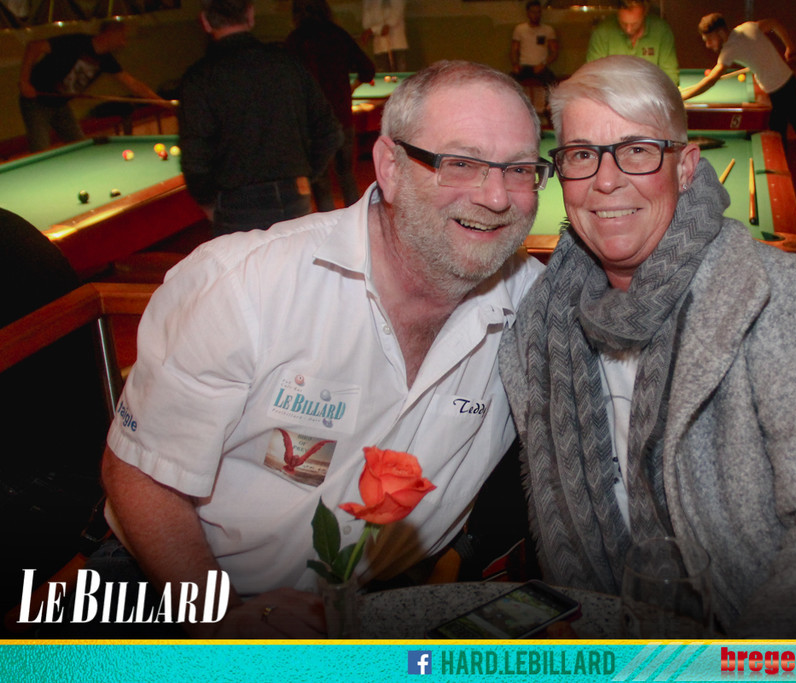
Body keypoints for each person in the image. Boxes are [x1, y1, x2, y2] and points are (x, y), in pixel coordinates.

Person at [498, 55, 796, 639]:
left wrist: (746, 664)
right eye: (581, 154)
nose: (605, 180)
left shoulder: (777, 295)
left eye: (637, 150)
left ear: (685, 167)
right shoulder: (540, 320)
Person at [98, 60, 547, 638]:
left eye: (520, 170)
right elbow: (140, 477)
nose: (497, 196)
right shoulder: (244, 285)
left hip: (368, 609)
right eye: (460, 163)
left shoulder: (539, 311)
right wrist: (225, 622)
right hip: (177, 586)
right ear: (389, 167)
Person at [177, 0, 340, 236]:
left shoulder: (198, 79)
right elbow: (330, 131)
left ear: (205, 22)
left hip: (235, 204)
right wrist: (305, 173)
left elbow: (195, 157)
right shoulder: (288, 64)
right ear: (251, 15)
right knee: (297, 260)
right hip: (293, 194)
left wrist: (208, 204)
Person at [683, 14, 796, 189]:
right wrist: (789, 46)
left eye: (709, 40)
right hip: (789, 82)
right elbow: (774, 23)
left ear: (720, 32)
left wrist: (684, 97)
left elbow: (711, 80)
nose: (708, 45)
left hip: (780, 90)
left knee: (783, 133)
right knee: (793, 130)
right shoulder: (747, 27)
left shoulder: (729, 49)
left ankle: (795, 180)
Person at [18, 21, 167, 152]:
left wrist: (163, 103)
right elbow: (34, 46)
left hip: (60, 104)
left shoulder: (106, 60)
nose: (123, 43)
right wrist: (25, 82)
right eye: (122, 37)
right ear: (110, 33)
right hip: (36, 101)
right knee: (40, 148)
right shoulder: (76, 42)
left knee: (80, 146)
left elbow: (134, 85)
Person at [286, 0, 376, 209]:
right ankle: (357, 222)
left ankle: (327, 226)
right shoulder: (338, 34)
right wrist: (351, 88)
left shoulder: (295, 40)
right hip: (341, 117)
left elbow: (287, 81)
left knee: (321, 182)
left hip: (313, 123)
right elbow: (367, 70)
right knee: (347, 175)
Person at [586, 0, 678, 84]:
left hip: (650, 94)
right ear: (617, 14)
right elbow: (592, 77)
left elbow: (670, 77)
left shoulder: (661, 31)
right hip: (613, 94)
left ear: (645, 13)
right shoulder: (602, 32)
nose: (628, 30)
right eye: (624, 24)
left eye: (634, 24)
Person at [510, 0, 559, 88]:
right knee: (510, 82)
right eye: (533, 12)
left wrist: (543, 64)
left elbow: (554, 52)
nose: (536, 15)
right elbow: (514, 50)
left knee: (553, 84)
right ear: (528, 13)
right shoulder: (520, 29)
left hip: (541, 66)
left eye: (538, 12)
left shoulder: (548, 30)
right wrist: (515, 65)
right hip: (524, 66)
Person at [361, 0, 408, 72]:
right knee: (383, 73)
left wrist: (372, 29)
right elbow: (366, 22)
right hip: (379, 47)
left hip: (396, 45)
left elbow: (395, 14)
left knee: (400, 74)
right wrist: (370, 30)